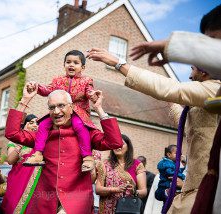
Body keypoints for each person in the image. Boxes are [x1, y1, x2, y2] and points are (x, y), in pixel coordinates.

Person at [86, 43, 220, 213]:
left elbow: (173, 88)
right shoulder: (202, 102)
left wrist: (118, 63)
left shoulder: (215, 90)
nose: (190, 75)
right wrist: (168, 99)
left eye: (192, 69)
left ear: (204, 71)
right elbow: (186, 125)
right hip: (192, 188)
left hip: (206, 188)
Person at [4, 82, 124, 213]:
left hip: (76, 200)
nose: (56, 111)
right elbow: (12, 133)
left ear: (71, 107)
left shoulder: (86, 133)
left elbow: (115, 143)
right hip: (45, 200)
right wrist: (25, 100)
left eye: (61, 106)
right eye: (52, 107)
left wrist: (99, 108)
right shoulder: (42, 135)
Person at [24, 50, 98, 172]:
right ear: (64, 65)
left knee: (80, 126)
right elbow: (47, 90)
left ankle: (87, 157)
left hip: (78, 112)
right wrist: (36, 87)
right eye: (68, 62)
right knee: (43, 125)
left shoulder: (86, 80)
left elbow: (89, 92)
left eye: (76, 63)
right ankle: (38, 154)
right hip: (58, 111)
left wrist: (93, 95)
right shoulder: (57, 80)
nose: (71, 65)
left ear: (82, 67)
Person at [95, 134, 147, 213]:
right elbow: (98, 189)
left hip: (127, 209)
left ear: (128, 147)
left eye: (121, 144)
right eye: (115, 144)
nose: (118, 146)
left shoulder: (137, 165)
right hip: (106, 210)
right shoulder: (104, 164)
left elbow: (143, 192)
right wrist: (116, 189)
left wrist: (134, 191)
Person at [1, 114, 42, 213]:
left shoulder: (40, 142)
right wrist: (21, 143)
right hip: (17, 182)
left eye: (37, 123)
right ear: (23, 126)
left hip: (36, 185)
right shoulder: (15, 143)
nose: (35, 125)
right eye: (31, 122)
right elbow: (10, 160)